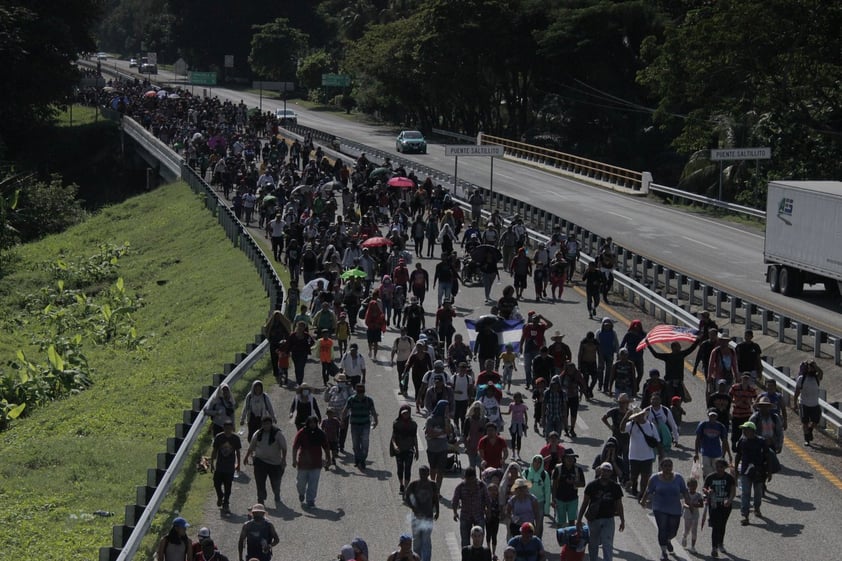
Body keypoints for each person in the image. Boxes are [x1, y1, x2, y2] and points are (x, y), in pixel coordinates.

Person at [639, 458, 690, 561]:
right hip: (659, 508)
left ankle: (668, 540)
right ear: (661, 467)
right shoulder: (654, 478)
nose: (667, 468)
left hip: (675, 508)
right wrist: (643, 501)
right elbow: (648, 490)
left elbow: (684, 491)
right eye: (665, 466)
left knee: (673, 531)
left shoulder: (678, 478)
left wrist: (689, 503)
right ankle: (663, 552)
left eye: (669, 466)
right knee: (662, 529)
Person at [576, 463, 625, 561]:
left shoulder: (615, 487)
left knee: (607, 544)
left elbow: (619, 505)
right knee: (593, 544)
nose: (605, 473)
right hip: (594, 520)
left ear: (611, 473)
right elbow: (585, 503)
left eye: (608, 471)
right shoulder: (592, 485)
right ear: (600, 471)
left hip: (608, 519)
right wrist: (579, 519)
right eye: (603, 470)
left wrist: (622, 520)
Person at [243, 416, 287, 507]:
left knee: (275, 482)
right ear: (262, 424)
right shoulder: (258, 433)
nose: (266, 426)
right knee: (260, 481)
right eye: (264, 424)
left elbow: (284, 448)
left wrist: (283, 460)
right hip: (260, 462)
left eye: (268, 424)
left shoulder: (278, 434)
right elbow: (251, 446)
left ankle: (277, 494)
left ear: (271, 424)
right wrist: (246, 457)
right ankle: (261, 499)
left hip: (275, 463)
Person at [733, 421, 768, 526]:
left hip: (759, 472)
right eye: (743, 429)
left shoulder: (761, 441)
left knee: (758, 493)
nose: (743, 431)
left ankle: (757, 508)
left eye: (746, 429)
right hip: (745, 472)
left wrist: (768, 472)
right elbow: (738, 455)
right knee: (745, 493)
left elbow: (767, 456)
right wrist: (735, 469)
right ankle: (745, 515)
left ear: (752, 431)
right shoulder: (742, 441)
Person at [291, 415, 330, 508]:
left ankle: (310, 500)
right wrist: (294, 460)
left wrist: (329, 459)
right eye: (310, 422)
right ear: (307, 423)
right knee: (301, 483)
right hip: (303, 463)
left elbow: (326, 447)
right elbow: (295, 447)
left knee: (313, 483)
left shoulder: (320, 434)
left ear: (317, 423)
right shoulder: (301, 433)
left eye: (314, 423)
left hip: (316, 463)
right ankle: (301, 493)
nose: (312, 424)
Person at [624, 407, 663, 498]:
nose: (639, 417)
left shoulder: (650, 425)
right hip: (634, 456)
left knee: (645, 477)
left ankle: (642, 493)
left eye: (640, 415)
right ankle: (633, 487)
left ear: (643, 415)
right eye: (636, 416)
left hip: (647, 456)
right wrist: (626, 417)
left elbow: (657, 441)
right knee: (634, 476)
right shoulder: (631, 425)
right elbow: (622, 429)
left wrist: (661, 454)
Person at [405, 466, 440, 561]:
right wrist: (413, 508)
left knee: (426, 540)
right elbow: (407, 497)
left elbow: (436, 498)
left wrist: (437, 511)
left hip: (428, 517)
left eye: (424, 473)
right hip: (416, 517)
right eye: (421, 473)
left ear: (428, 473)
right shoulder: (414, 484)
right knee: (416, 541)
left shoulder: (432, 485)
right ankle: (416, 559)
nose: (422, 475)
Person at [703, 459, 736, 558]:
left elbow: (733, 492)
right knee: (716, 526)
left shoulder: (729, 478)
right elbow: (704, 488)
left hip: (725, 506)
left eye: (721, 467)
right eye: (717, 467)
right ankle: (714, 548)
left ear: (724, 467)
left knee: (722, 525)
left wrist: (729, 500)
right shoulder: (710, 477)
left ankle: (720, 543)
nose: (719, 469)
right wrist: (707, 492)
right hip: (714, 505)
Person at [452, 467, 492, 547]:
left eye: (472, 480)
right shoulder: (461, 486)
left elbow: (488, 499)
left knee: (479, 539)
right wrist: (455, 512)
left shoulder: (481, 485)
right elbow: (455, 500)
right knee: (465, 540)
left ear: (475, 477)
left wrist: (489, 512)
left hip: (479, 515)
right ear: (465, 477)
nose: (470, 482)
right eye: (468, 480)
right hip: (465, 516)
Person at [343, 383, 379, 470]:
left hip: (365, 424)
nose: (360, 394)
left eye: (361, 391)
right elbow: (345, 411)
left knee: (365, 443)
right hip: (354, 425)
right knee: (356, 444)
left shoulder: (369, 400)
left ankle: (362, 460)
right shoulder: (351, 400)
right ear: (356, 391)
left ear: (364, 391)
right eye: (359, 391)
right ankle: (357, 458)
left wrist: (376, 421)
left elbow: (373, 411)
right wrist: (342, 421)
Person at [210, 419, 241, 515]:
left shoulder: (235, 438)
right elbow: (215, 450)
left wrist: (238, 464)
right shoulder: (219, 437)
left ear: (232, 428)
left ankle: (226, 503)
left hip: (229, 467)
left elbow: (238, 452)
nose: (228, 430)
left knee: (228, 486)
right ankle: (220, 495)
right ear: (223, 428)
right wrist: (212, 462)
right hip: (219, 466)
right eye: (226, 428)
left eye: (229, 428)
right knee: (216, 483)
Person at [552, 448, 585, 529]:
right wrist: (553, 498)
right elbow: (554, 484)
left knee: (572, 522)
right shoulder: (558, 469)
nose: (571, 459)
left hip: (573, 499)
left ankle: (571, 539)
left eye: (572, 457)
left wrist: (573, 483)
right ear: (564, 458)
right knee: (560, 522)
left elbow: (583, 484)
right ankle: (561, 539)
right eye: (568, 457)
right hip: (560, 499)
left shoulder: (578, 469)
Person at [693, 409, 731, 479]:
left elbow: (725, 441)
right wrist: (696, 453)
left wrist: (729, 455)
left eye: (714, 416)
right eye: (711, 416)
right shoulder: (703, 425)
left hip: (717, 452)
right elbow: (697, 439)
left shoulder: (720, 426)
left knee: (717, 471)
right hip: (705, 452)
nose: (712, 418)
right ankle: (706, 485)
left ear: (716, 417)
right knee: (706, 470)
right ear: (708, 416)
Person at [793, 359, 824, 446]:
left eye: (812, 368)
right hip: (804, 404)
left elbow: (821, 373)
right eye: (809, 367)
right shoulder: (801, 379)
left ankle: (810, 431)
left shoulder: (816, 378)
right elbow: (797, 392)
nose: (811, 369)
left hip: (814, 404)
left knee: (815, 421)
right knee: (805, 422)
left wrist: (815, 365)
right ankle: (807, 439)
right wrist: (795, 403)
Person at [425, 400, 454, 489]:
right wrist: (442, 432)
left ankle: (437, 490)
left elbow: (448, 432)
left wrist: (446, 419)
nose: (447, 410)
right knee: (433, 469)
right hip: (432, 449)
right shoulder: (431, 419)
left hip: (442, 449)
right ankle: (432, 487)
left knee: (441, 472)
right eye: (446, 409)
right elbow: (430, 434)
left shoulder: (446, 419)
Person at [392, 404, 419, 492]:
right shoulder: (396, 423)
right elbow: (393, 438)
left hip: (409, 449)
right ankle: (401, 484)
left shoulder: (413, 424)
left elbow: (414, 437)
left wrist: (417, 450)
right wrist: (395, 446)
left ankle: (406, 487)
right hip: (399, 450)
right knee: (400, 468)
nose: (405, 415)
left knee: (408, 468)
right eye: (403, 413)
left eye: (407, 413)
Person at [523, 455, 552, 538]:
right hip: (528, 501)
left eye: (539, 462)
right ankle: (530, 538)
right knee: (529, 522)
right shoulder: (526, 473)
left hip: (540, 502)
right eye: (535, 461)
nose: (537, 464)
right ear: (532, 462)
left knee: (539, 523)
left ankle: (538, 540)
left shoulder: (544, 474)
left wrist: (547, 509)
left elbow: (547, 491)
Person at [325, 373, 354, 451]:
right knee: (334, 430)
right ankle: (335, 446)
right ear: (337, 382)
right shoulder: (333, 389)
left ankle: (341, 445)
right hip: (333, 413)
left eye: (342, 382)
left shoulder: (348, 389)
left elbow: (353, 399)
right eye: (339, 381)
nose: (340, 383)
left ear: (345, 382)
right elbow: (326, 399)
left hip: (344, 413)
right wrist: (327, 391)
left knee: (343, 430)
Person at [680, 477, 704, 553]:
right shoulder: (686, 494)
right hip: (687, 515)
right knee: (687, 529)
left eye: (694, 486)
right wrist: (688, 506)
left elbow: (701, 504)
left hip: (695, 516)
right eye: (691, 486)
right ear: (688, 486)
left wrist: (693, 505)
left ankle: (693, 546)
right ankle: (684, 536)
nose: (693, 487)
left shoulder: (698, 495)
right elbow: (684, 504)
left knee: (694, 531)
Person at [506, 393, 529, 460]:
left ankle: (518, 454)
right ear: (514, 398)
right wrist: (500, 413)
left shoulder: (523, 406)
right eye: (515, 398)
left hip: (520, 424)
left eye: (518, 398)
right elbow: (508, 413)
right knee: (513, 439)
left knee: (519, 439)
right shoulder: (511, 405)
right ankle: (513, 454)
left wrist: (526, 424)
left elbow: (526, 415)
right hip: (513, 424)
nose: (517, 399)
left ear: (520, 398)